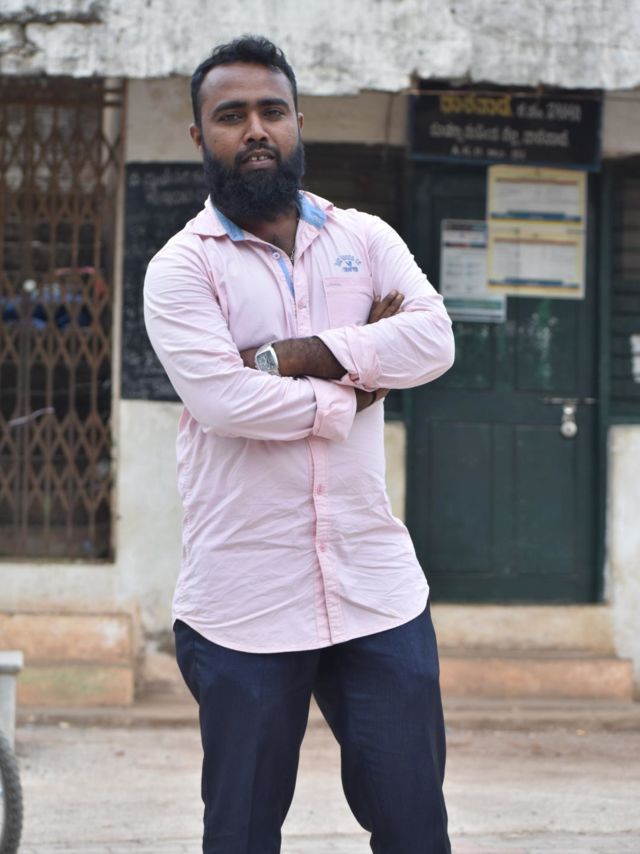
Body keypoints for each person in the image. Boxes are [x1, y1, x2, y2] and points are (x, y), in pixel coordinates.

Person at [144, 35, 455, 854]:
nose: (255, 129)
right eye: (231, 115)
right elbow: (222, 400)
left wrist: (298, 356)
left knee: (416, 827)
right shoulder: (182, 269)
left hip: (374, 590)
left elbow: (434, 341)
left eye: (271, 111)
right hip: (244, 602)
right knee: (243, 834)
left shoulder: (366, 238)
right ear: (200, 135)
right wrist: (357, 383)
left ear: (298, 123)